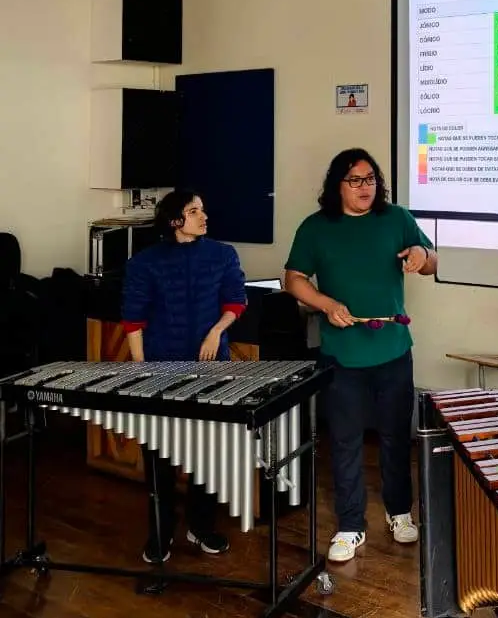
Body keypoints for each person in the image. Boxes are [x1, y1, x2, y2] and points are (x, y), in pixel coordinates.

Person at [283, 148, 436, 564]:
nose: (365, 187)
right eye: (355, 180)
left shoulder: (397, 218)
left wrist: (422, 255)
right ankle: (351, 525)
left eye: (370, 179)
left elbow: (431, 259)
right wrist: (326, 304)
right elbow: (293, 279)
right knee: (345, 442)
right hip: (342, 354)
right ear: (338, 185)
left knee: (395, 436)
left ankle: (399, 512)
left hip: (393, 349)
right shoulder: (316, 227)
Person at [122, 191, 247, 564]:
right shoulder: (144, 263)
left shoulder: (223, 255)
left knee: (207, 454)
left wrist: (216, 332)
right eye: (194, 211)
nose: (204, 216)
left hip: (211, 368)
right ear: (175, 221)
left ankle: (201, 526)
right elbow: (133, 318)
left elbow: (236, 300)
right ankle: (160, 532)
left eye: (202, 209)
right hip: (161, 367)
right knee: (159, 457)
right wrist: (141, 369)